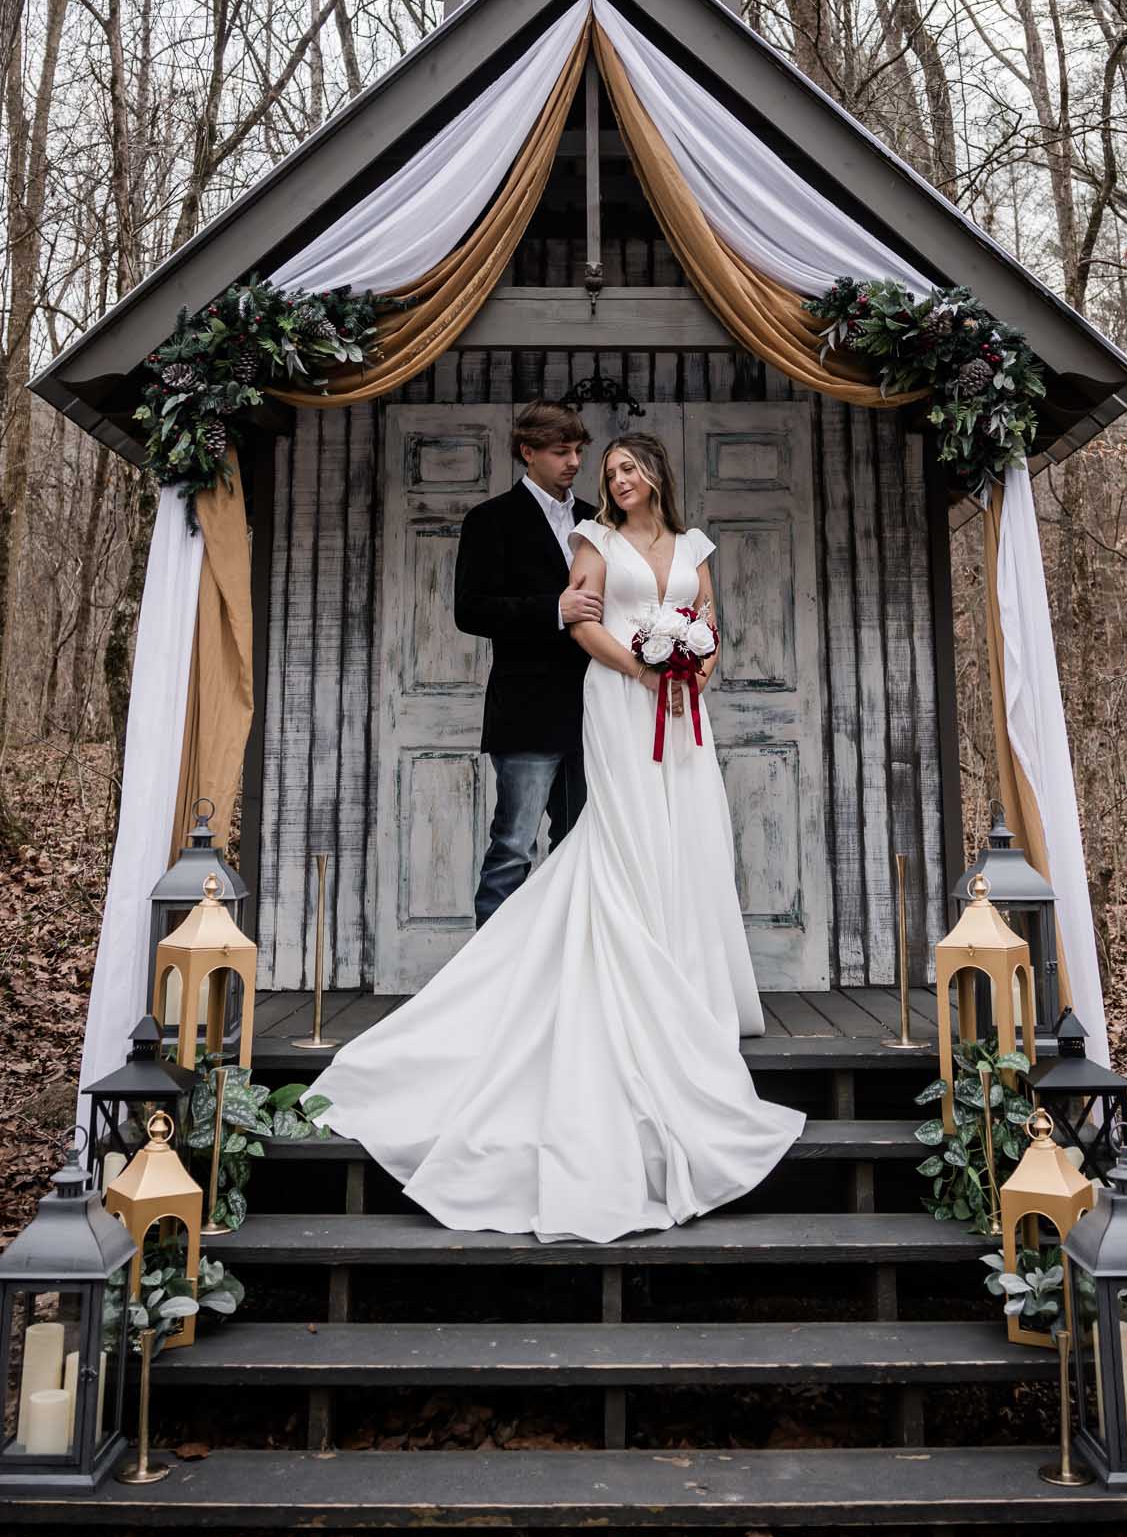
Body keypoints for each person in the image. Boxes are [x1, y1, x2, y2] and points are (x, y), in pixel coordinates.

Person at [307, 428, 804, 1244]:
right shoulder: (590, 538)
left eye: (626, 466)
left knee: (690, 834)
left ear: (656, 472)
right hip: (617, 699)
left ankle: (690, 978)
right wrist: (646, 670)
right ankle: (525, 977)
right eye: (607, 469)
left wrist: (694, 666)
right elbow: (578, 622)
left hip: (685, 713)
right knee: (604, 837)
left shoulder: (692, 542)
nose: (614, 476)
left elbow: (707, 615)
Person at [451, 400, 602, 927]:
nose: (574, 461)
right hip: (527, 711)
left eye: (579, 450)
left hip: (595, 712)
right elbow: (469, 610)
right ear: (527, 452)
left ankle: (562, 969)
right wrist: (552, 610)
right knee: (513, 846)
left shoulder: (596, 520)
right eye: (562, 451)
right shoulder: (490, 519)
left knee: (581, 843)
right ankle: (492, 986)